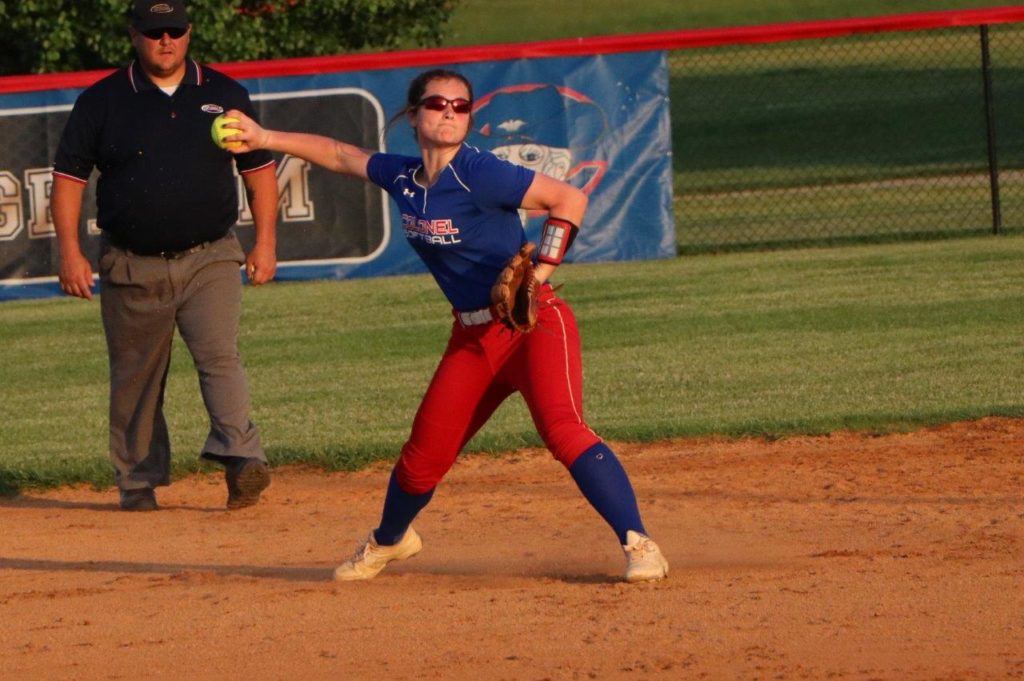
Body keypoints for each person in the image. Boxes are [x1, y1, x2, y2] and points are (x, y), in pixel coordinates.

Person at [223, 68, 668, 582]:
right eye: (437, 104)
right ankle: (390, 541)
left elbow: (570, 200)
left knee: (563, 431)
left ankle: (640, 544)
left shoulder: (479, 173)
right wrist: (265, 137)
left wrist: (540, 272)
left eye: (461, 106)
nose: (450, 113)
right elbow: (341, 155)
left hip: (531, 324)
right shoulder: (405, 178)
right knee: (423, 456)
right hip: (473, 338)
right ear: (413, 115)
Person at [51, 0, 278, 512]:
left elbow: (259, 171)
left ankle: (243, 459)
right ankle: (138, 481)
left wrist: (265, 243)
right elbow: (68, 181)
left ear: (190, 32)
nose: (166, 41)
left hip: (211, 256)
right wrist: (70, 252)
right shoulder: (102, 101)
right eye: (154, 32)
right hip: (132, 262)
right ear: (134, 35)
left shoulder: (223, 93)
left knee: (219, 357)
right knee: (136, 374)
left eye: (175, 30)